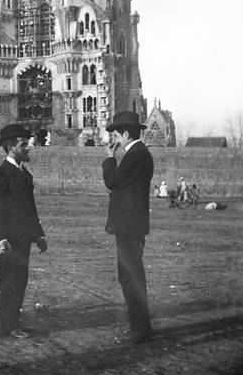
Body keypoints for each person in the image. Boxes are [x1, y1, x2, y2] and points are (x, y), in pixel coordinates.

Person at [0, 124, 48, 339]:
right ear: (12, 148)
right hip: (9, 242)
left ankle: (15, 323)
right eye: (24, 145)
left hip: (23, 241)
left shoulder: (25, 175)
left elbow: (30, 210)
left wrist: (38, 235)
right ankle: (9, 325)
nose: (28, 148)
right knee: (9, 282)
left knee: (20, 281)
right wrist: (0, 239)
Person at [102, 111, 153, 344]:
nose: (115, 140)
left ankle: (140, 329)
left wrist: (109, 158)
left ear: (125, 133)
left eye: (117, 135)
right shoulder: (138, 154)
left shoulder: (137, 155)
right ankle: (139, 327)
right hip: (130, 226)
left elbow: (112, 182)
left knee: (131, 276)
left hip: (129, 226)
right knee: (129, 275)